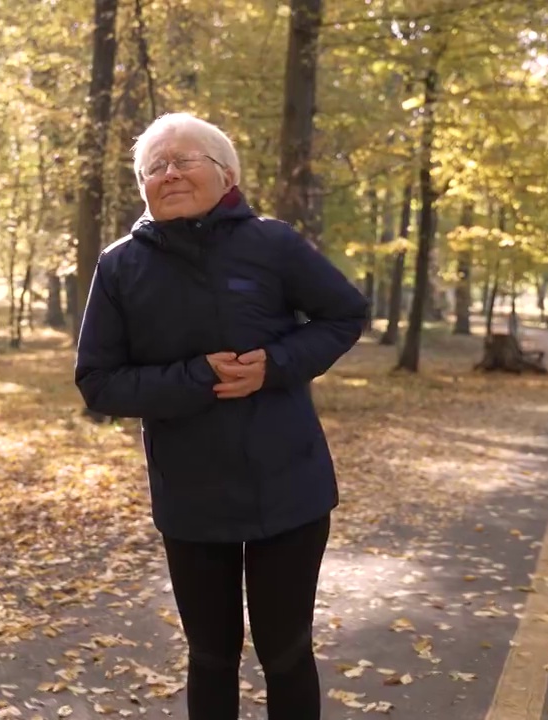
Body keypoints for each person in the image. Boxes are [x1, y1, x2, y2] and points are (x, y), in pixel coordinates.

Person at [73, 112, 369, 720]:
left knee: (286, 652)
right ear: (143, 187)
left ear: (226, 174)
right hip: (191, 498)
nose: (169, 172)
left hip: (289, 490)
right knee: (210, 656)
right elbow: (98, 383)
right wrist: (197, 378)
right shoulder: (119, 265)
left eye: (184, 160)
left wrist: (277, 364)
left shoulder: (273, 243)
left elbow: (344, 315)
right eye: (155, 166)